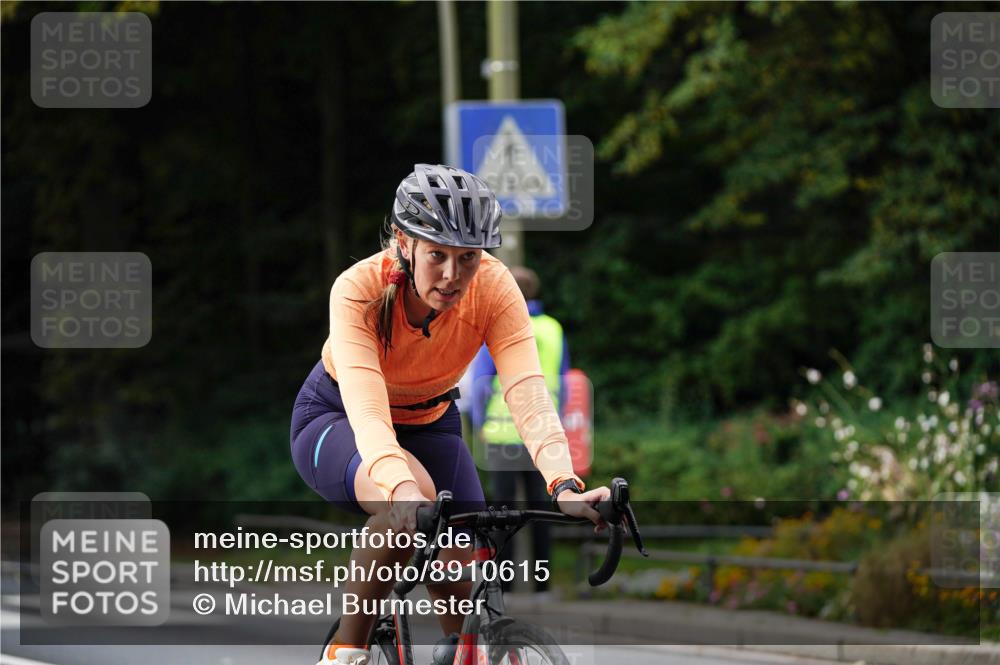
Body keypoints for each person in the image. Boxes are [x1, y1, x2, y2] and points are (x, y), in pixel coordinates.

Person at [289, 163, 610, 665]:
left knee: (464, 571)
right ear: (403, 241)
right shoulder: (358, 289)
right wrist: (400, 492)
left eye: (468, 258)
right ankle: (345, 649)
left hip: (431, 418)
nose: (452, 274)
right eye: (437, 255)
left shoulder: (495, 288)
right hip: (340, 417)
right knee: (408, 504)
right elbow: (370, 413)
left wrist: (562, 484)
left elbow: (527, 390)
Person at [470, 266, 569, 595]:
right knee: (539, 508)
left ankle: (504, 585)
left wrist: (481, 422)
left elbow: (482, 382)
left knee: (503, 512)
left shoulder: (501, 324)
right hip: (541, 434)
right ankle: (544, 585)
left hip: (502, 435)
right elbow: (563, 381)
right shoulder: (554, 329)